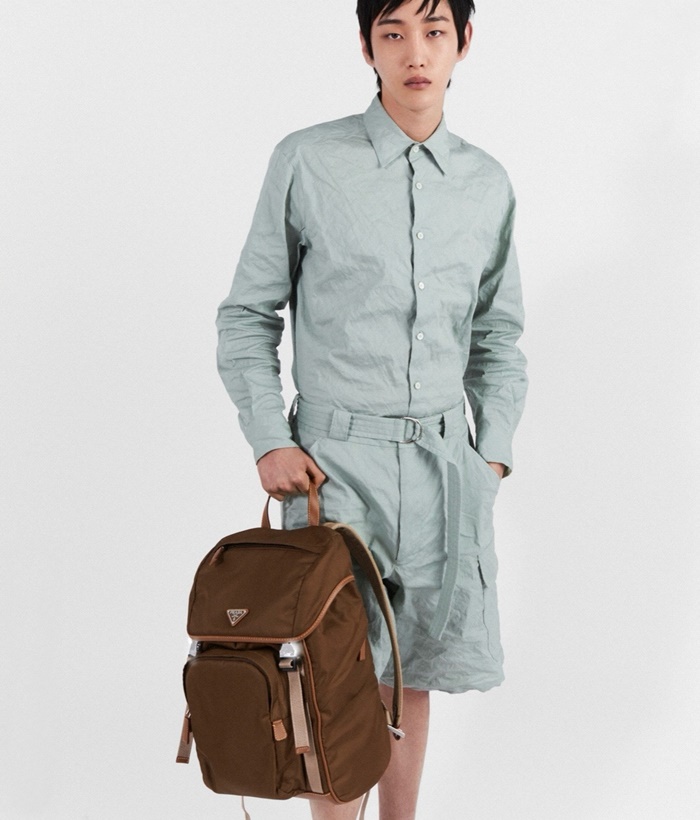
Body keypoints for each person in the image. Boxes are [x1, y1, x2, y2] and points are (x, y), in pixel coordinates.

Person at [215, 1, 528, 817]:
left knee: (409, 673)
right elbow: (247, 314)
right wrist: (268, 438)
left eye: (434, 32)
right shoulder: (308, 161)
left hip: (442, 472)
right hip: (333, 471)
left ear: (463, 42)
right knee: (333, 672)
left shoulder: (486, 183)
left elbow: (498, 337)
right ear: (367, 47)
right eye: (393, 34)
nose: (415, 53)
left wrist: (489, 456)